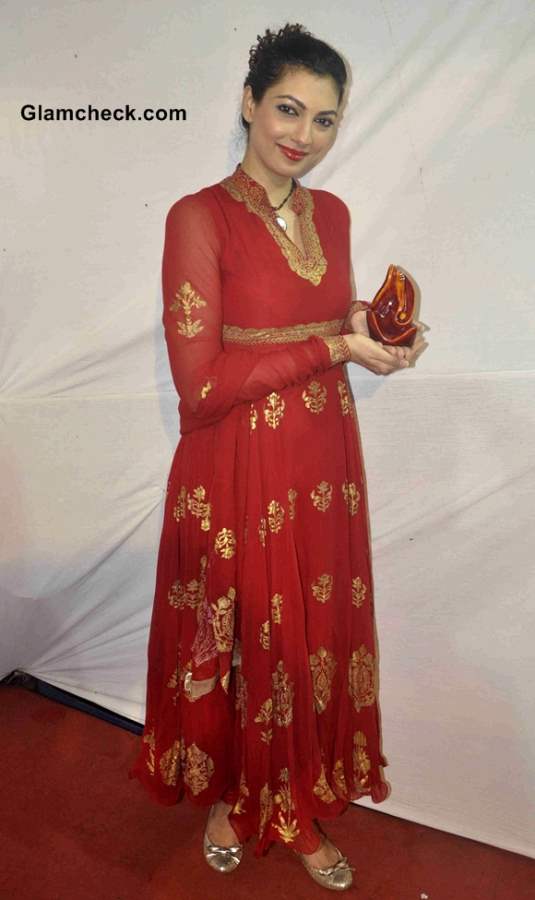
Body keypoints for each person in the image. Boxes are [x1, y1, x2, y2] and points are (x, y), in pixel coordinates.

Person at [128, 22, 426, 892]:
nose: (301, 135)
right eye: (287, 109)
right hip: (233, 466)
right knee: (244, 629)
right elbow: (201, 388)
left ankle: (290, 793)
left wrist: (374, 326)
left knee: (306, 637)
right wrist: (335, 350)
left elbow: (324, 315)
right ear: (248, 104)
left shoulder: (330, 213)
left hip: (321, 461)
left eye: (324, 120)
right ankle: (234, 794)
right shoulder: (198, 218)